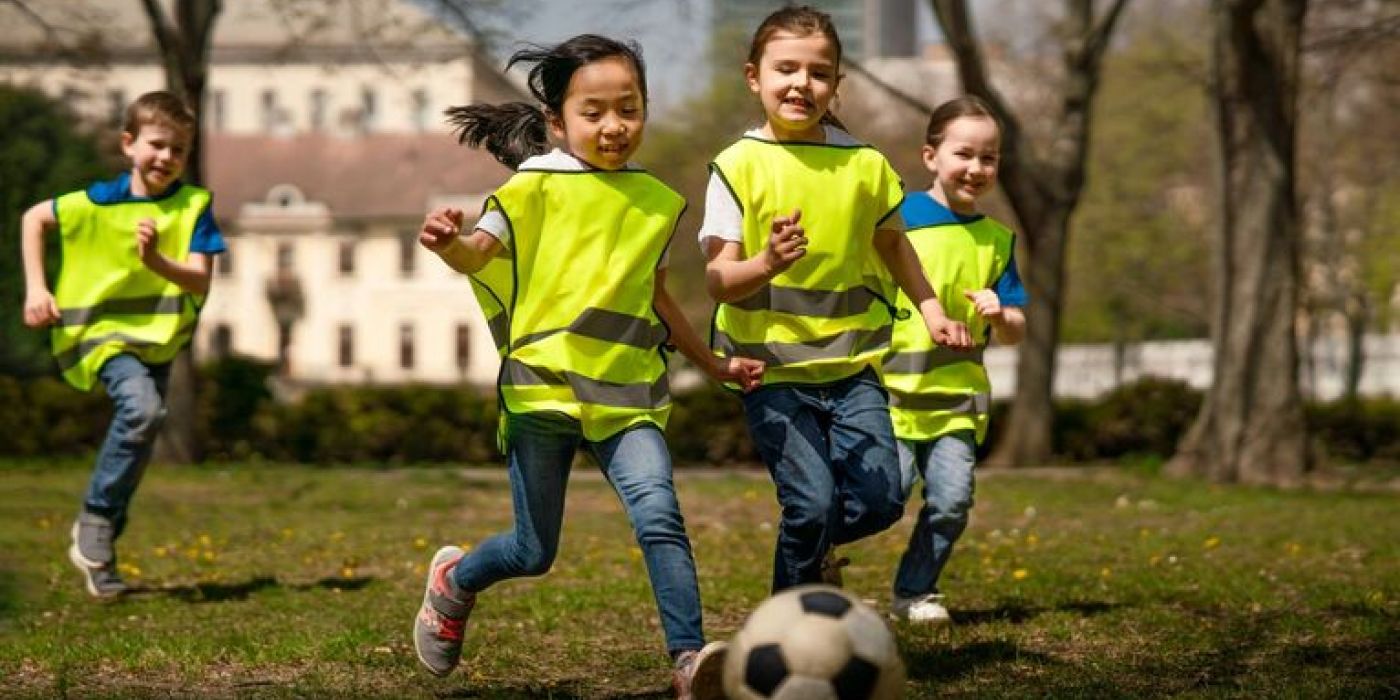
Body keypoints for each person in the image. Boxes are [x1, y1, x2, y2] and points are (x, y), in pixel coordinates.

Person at [409, 34, 760, 699]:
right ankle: (454, 582)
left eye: (628, 109)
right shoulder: (532, 187)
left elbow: (655, 299)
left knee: (660, 515)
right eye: (593, 112)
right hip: (542, 395)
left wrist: (713, 365)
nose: (614, 126)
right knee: (532, 552)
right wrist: (448, 243)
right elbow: (480, 255)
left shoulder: (655, 202)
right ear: (556, 123)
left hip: (628, 396)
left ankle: (688, 663)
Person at [700, 5, 973, 594]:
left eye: (819, 72)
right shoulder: (736, 166)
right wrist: (766, 263)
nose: (802, 83)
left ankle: (809, 546)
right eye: (786, 69)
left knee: (883, 503)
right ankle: (785, 624)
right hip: (771, 375)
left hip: (852, 372)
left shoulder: (866, 165)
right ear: (754, 77)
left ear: (836, 84)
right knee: (812, 505)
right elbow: (718, 280)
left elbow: (895, 247)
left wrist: (932, 309)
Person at [19, 90, 225, 599]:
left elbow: (199, 281)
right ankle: (94, 518)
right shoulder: (95, 203)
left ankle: (101, 556)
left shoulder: (193, 207)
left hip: (157, 343)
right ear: (129, 144)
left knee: (140, 436)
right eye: (158, 145)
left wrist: (156, 261)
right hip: (99, 338)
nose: (167, 158)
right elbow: (33, 218)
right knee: (141, 411)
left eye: (179, 150)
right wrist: (36, 289)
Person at [884, 96, 1027, 625]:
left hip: (955, 407)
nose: (976, 168)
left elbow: (1014, 334)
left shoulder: (997, 240)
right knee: (882, 500)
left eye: (989, 158)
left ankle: (915, 592)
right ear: (930, 156)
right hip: (891, 396)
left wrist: (1001, 312)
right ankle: (821, 558)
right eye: (964, 153)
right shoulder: (896, 222)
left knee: (950, 503)